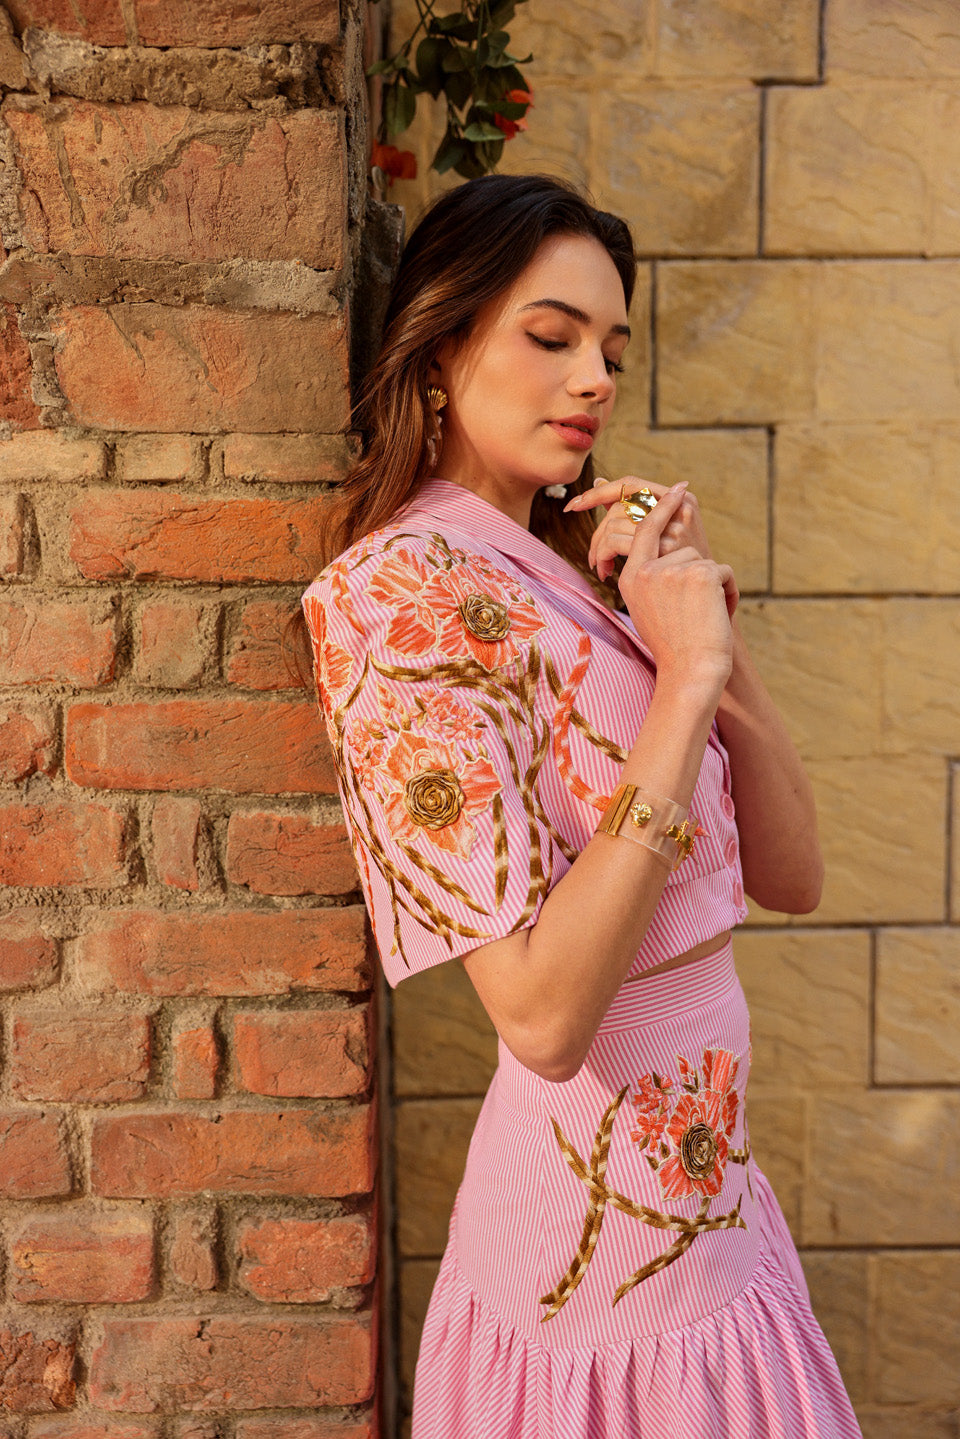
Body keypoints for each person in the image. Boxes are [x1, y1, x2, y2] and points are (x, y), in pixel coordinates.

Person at [300, 174, 862, 1438]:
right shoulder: (392, 599)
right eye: (551, 337)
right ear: (441, 350)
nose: (595, 378)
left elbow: (794, 875)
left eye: (611, 348)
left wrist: (706, 638)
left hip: (717, 1204)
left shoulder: (566, 572)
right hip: (594, 1257)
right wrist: (683, 686)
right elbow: (543, 1016)